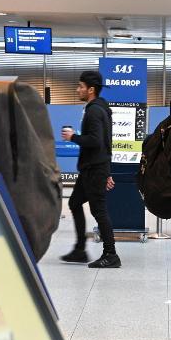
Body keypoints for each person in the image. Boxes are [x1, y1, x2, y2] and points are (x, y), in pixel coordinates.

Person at [60, 71, 119, 269]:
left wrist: (73, 137)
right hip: (92, 169)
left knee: (99, 210)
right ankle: (79, 249)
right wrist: (108, 171)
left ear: (90, 89)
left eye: (80, 86)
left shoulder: (95, 111)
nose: (78, 90)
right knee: (75, 203)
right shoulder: (100, 108)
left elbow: (95, 141)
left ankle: (111, 254)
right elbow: (107, 143)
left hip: (94, 169)